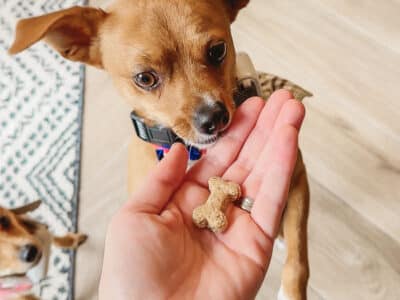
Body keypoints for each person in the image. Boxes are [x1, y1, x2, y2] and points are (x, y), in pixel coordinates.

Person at [99, 90, 305, 299]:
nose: (207, 114)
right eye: (147, 79)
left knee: (283, 167)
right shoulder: (142, 171)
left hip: (242, 127)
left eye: (215, 54)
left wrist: (296, 270)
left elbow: (296, 181)